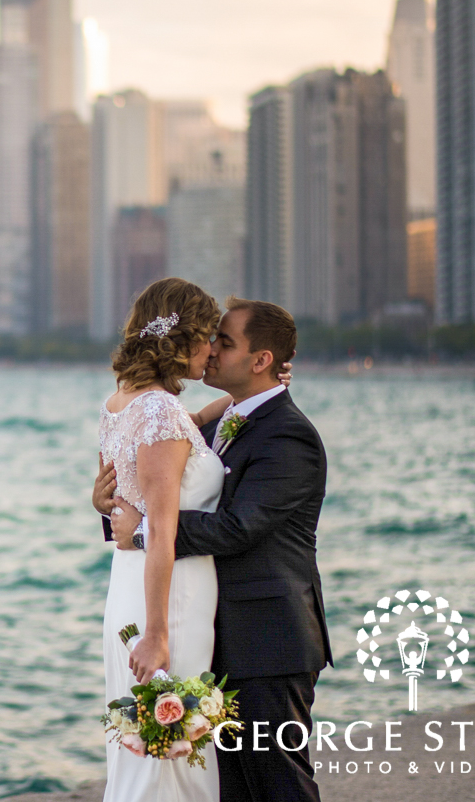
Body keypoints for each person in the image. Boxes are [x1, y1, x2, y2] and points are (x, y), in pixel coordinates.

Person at [96, 296, 334, 802]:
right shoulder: (201, 423)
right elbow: (148, 488)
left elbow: (236, 528)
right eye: (210, 338)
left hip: (269, 640)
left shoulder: (289, 437)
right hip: (212, 633)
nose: (211, 349)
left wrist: (141, 533)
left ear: (261, 360)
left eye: (224, 342)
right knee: (220, 785)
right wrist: (107, 507)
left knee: (278, 782)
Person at [96, 277, 228, 802]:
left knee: (155, 753)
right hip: (167, 600)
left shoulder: (121, 404)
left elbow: (116, 499)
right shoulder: (159, 413)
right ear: (183, 339)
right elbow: (162, 533)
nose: (213, 350)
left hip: (130, 586)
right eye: (208, 337)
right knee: (169, 758)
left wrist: (253, 398)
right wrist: (156, 634)